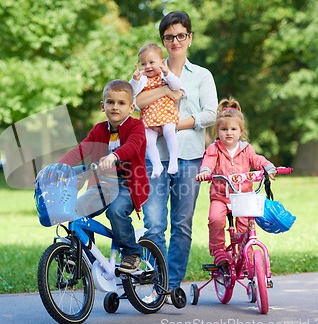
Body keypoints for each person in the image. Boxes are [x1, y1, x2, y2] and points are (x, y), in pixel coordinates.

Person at [136, 11, 218, 296]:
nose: (175, 41)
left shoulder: (202, 76)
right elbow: (136, 102)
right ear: (163, 41)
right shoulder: (150, 69)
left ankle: (170, 287)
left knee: (181, 225)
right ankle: (154, 285)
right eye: (169, 37)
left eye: (180, 35)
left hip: (190, 158)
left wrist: (172, 124)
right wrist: (166, 94)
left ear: (190, 38)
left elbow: (210, 114)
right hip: (154, 158)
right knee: (154, 224)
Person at [59, 79, 149, 273]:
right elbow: (82, 150)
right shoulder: (99, 130)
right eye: (110, 102)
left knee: (115, 211)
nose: (115, 107)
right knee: (77, 209)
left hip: (129, 185)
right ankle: (81, 255)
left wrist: (114, 156)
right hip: (104, 185)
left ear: (131, 107)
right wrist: (58, 167)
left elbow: (132, 146)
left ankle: (132, 253)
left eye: (121, 103)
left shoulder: (136, 127)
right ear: (103, 106)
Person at [196, 97, 276, 266]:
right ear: (217, 131)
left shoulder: (246, 149)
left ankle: (244, 253)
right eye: (224, 129)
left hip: (243, 196)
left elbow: (257, 160)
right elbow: (208, 162)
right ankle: (218, 252)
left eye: (233, 129)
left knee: (246, 223)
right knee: (215, 219)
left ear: (241, 131)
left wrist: (268, 166)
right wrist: (205, 171)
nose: (229, 132)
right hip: (220, 197)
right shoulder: (214, 149)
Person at [130, 43, 183, 179]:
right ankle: (157, 165)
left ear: (161, 62)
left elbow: (177, 86)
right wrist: (134, 81)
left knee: (169, 131)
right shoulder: (142, 79)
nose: (147, 66)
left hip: (166, 112)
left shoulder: (164, 75)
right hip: (149, 115)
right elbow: (132, 94)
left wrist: (167, 73)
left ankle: (173, 161)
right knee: (147, 140)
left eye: (151, 62)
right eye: (143, 64)